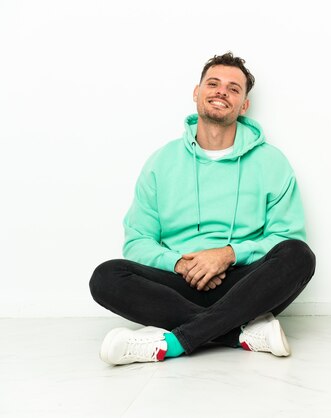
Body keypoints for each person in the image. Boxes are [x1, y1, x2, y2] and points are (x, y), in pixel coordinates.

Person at [89, 52, 316, 366]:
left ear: (244, 105)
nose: (222, 91)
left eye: (234, 88)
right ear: (197, 93)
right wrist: (181, 263)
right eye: (213, 83)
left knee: (298, 255)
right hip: (177, 284)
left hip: (244, 284)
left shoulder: (271, 162)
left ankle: (173, 342)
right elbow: (137, 240)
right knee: (106, 276)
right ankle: (238, 333)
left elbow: (284, 236)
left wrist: (227, 254)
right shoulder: (161, 162)